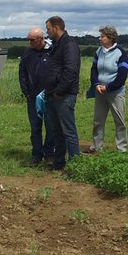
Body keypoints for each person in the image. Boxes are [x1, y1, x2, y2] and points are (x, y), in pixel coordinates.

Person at [43, 16, 81, 169]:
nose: (47, 32)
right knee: (56, 131)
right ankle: (59, 162)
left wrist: (59, 90)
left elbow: (71, 70)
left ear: (56, 28)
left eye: (48, 29)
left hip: (64, 95)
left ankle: (75, 165)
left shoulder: (69, 44)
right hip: (53, 93)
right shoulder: (57, 45)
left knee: (68, 131)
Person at [86, 25, 128, 153]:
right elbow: (94, 69)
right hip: (99, 92)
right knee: (98, 121)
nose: (100, 39)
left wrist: (109, 87)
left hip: (116, 93)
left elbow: (122, 75)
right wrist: (96, 84)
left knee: (119, 121)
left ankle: (122, 149)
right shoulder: (99, 51)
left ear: (110, 38)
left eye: (102, 36)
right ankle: (96, 146)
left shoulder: (121, 53)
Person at [18, 27, 55, 165]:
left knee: (51, 126)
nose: (30, 42)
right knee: (35, 127)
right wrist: (26, 91)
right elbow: (22, 72)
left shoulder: (52, 51)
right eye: (28, 39)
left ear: (41, 39)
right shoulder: (28, 53)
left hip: (50, 95)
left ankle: (50, 153)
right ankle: (36, 154)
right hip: (32, 95)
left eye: (32, 40)